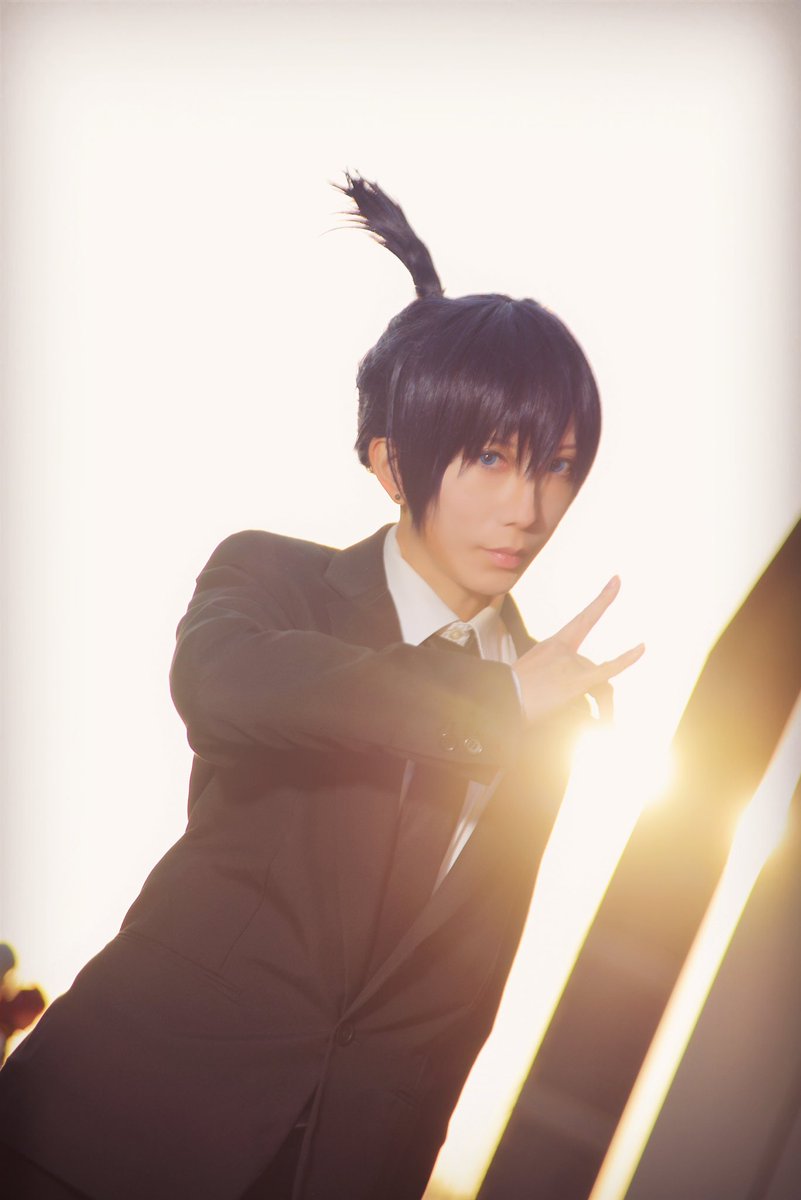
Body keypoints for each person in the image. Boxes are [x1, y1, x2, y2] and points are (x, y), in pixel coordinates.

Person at [0, 174, 643, 1200]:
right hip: (99, 1139)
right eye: (490, 458)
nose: (527, 508)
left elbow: (458, 1000)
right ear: (392, 464)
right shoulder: (273, 580)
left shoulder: (554, 701)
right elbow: (222, 688)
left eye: (557, 466)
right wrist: (488, 706)